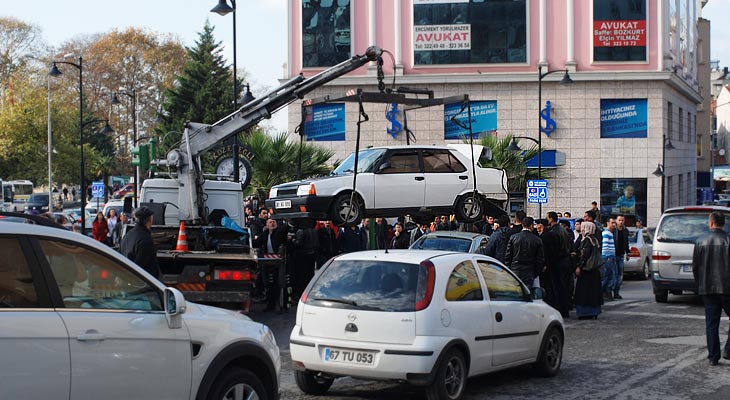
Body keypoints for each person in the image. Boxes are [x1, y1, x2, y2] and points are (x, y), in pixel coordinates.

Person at [692, 211, 730, 366]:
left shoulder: (700, 241)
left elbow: (695, 267)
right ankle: (728, 350)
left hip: (707, 288)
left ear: (711, 223)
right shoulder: (728, 240)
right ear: (723, 224)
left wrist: (699, 285)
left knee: (711, 323)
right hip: (727, 288)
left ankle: (713, 356)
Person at [254, 218, 287, 312]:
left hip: (278, 262)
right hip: (267, 262)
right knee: (267, 283)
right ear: (267, 225)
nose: (272, 223)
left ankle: (278, 304)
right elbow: (257, 242)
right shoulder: (265, 234)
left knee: (278, 283)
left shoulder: (279, 233)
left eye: (274, 222)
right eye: (270, 222)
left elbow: (284, 232)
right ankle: (270, 304)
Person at [504, 217, 545, 289]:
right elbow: (540, 259)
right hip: (530, 271)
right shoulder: (537, 240)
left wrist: (508, 268)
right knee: (528, 291)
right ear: (531, 226)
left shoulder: (513, 237)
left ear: (522, 225)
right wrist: (536, 272)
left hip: (515, 269)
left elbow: (508, 256)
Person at [120, 206, 161, 278]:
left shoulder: (128, 234)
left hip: (126, 275)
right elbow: (140, 266)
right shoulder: (145, 239)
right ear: (150, 219)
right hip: (140, 280)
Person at [574, 222, 603, 319]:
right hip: (594, 271)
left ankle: (584, 313)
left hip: (586, 271)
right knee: (593, 292)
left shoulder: (586, 240)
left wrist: (579, 266)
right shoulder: (594, 240)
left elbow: (584, 255)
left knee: (584, 292)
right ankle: (594, 312)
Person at [612, 214, 631, 300]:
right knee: (613, 274)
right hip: (613, 255)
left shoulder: (625, 230)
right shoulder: (613, 230)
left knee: (619, 274)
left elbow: (626, 242)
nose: (621, 222)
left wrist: (628, 252)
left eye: (622, 220)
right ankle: (609, 291)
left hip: (620, 255)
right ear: (616, 221)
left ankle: (616, 292)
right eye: (619, 220)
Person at [601, 216, 617, 301]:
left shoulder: (610, 233)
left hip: (611, 256)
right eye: (612, 223)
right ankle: (603, 292)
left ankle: (606, 292)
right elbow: (605, 246)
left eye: (614, 223)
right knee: (607, 275)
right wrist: (607, 256)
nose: (614, 225)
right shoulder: (606, 233)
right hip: (607, 257)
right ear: (607, 223)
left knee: (610, 275)